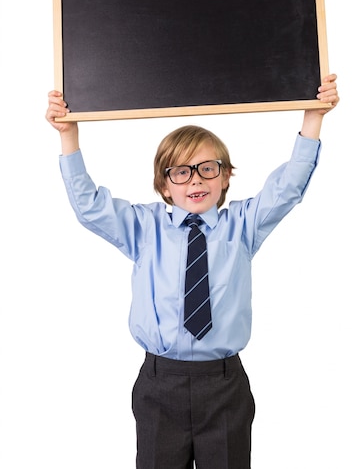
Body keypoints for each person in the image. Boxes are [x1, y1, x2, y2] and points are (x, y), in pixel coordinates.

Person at [46, 74, 339, 469]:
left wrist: (313, 117)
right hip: (158, 384)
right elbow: (89, 207)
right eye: (181, 172)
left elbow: (287, 187)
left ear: (225, 176)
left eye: (207, 168)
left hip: (223, 386)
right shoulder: (144, 229)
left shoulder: (243, 226)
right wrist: (68, 136)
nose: (195, 180)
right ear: (165, 186)